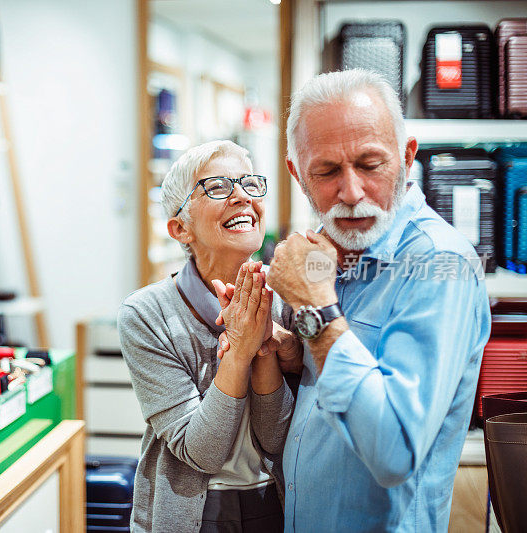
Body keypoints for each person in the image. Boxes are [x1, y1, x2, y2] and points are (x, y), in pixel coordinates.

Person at [259, 69, 490, 531]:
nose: (351, 193)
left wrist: (315, 310)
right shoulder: (327, 251)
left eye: (369, 164)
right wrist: (296, 352)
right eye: (326, 172)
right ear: (297, 175)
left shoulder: (440, 264)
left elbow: (393, 450)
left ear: (407, 156)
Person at [118, 140, 302, 532]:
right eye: (217, 187)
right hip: (190, 516)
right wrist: (240, 352)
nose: (241, 196)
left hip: (277, 505)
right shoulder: (146, 314)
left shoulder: (290, 296)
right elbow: (201, 451)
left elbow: (278, 438)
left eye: (250, 184)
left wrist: (267, 348)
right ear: (180, 228)